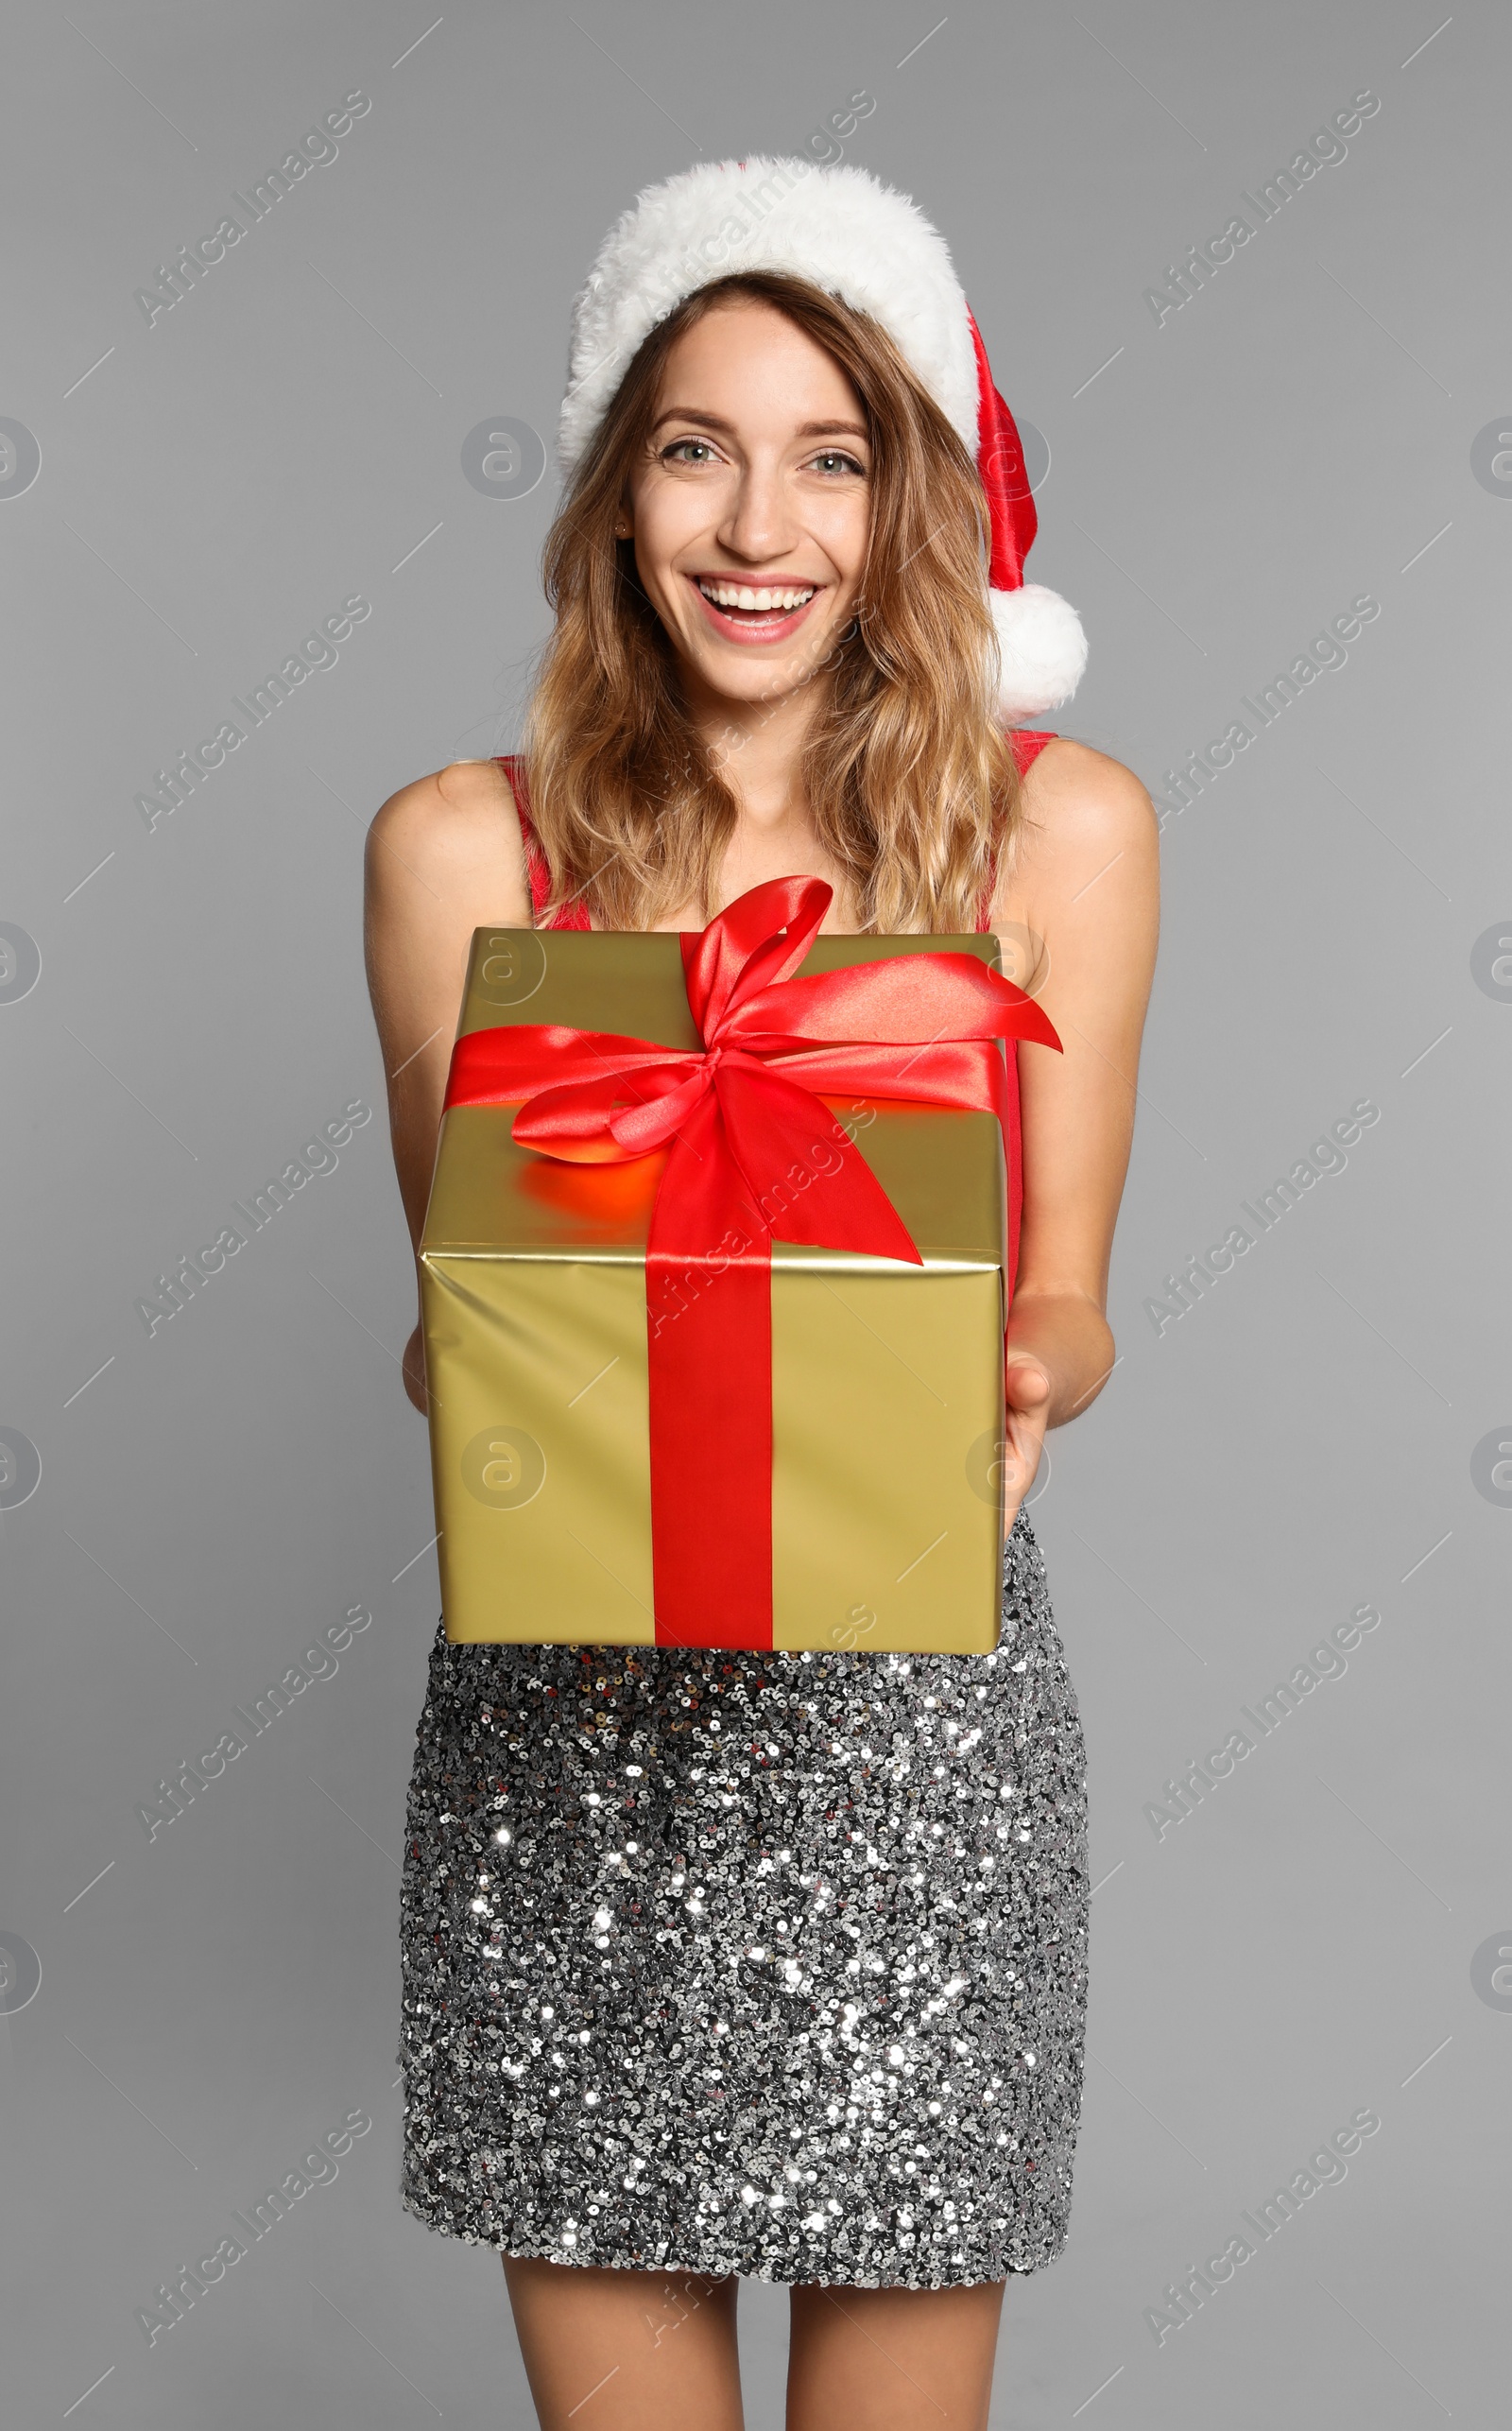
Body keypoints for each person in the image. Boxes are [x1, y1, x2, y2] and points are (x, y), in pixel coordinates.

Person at [365, 160, 1159, 2431]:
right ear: (617, 490)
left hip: (911, 1744)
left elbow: (1077, 1300)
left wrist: (1023, 1367)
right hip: (568, 1751)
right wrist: (526, 1331)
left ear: (900, 500)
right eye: (697, 445)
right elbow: (450, 1339)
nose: (758, 521)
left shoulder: (1048, 832)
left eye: (831, 455)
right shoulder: (458, 853)